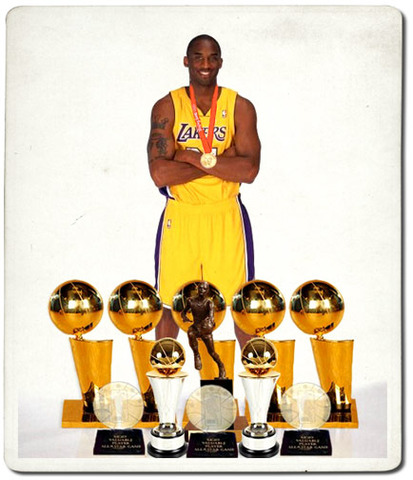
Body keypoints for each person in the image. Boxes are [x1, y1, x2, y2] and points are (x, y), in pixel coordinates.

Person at [147, 34, 260, 348]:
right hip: (181, 214)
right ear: (187, 61)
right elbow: (159, 173)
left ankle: (253, 377)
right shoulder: (168, 106)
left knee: (241, 304)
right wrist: (221, 161)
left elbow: (249, 171)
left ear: (220, 62)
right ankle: (165, 376)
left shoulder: (240, 107)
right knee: (169, 303)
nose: (205, 64)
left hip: (225, 214)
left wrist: (191, 157)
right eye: (198, 57)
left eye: (212, 57)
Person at [181, 281, 226, 378]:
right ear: (197, 289)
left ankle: (221, 365)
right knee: (190, 332)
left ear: (207, 291)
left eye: (204, 289)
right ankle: (196, 354)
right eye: (200, 288)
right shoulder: (191, 301)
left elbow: (211, 316)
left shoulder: (209, 303)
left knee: (212, 352)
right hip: (195, 327)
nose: (202, 290)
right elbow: (183, 312)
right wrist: (184, 317)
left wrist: (210, 323)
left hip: (205, 329)